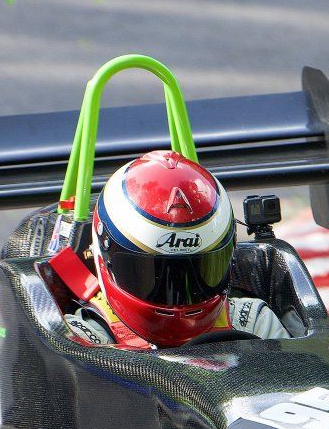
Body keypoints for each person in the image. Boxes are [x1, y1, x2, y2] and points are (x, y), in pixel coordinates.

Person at [47, 149, 287, 349]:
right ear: (106, 258)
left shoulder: (253, 322)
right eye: (153, 274)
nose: (178, 302)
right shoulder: (86, 339)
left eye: (200, 271)